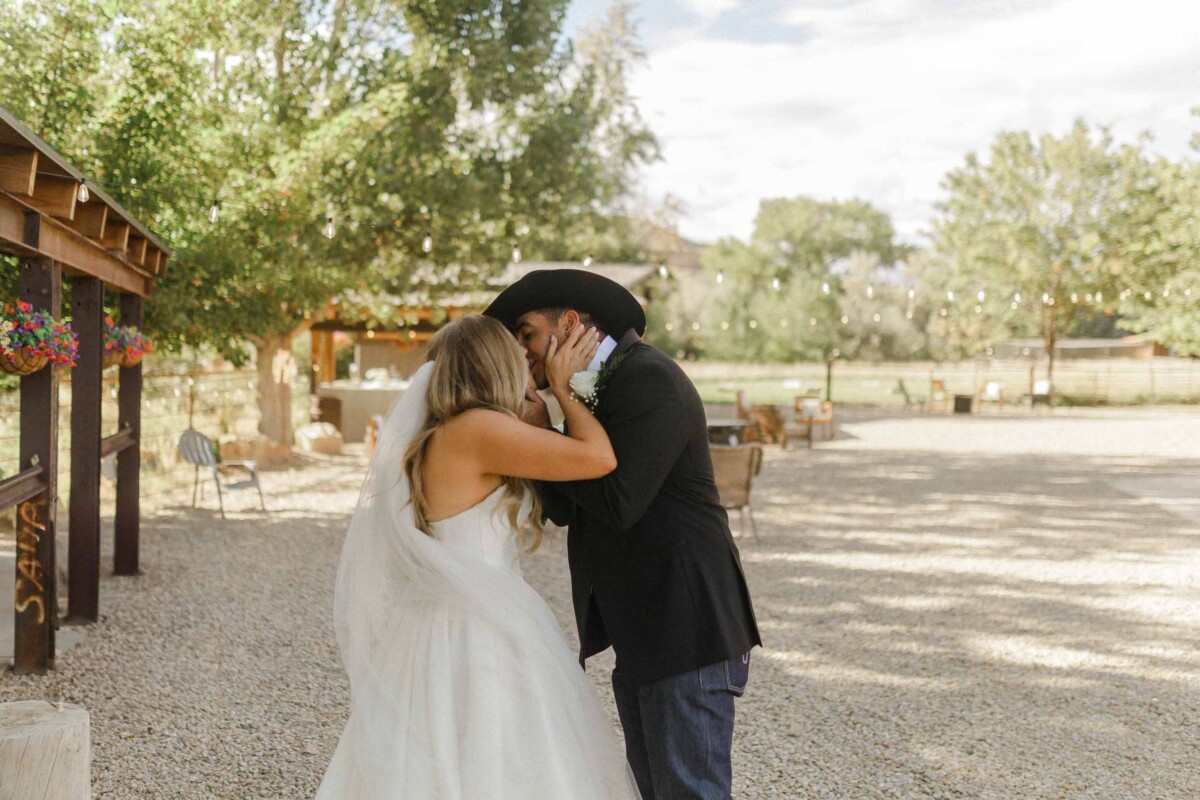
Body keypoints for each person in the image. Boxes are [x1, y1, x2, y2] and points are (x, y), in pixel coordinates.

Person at [316, 314, 640, 799]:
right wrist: (566, 392)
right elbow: (599, 459)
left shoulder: (443, 432)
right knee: (497, 756)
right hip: (478, 627)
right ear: (494, 366)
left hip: (434, 622)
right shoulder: (480, 430)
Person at [485, 269, 762, 800]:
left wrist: (555, 419)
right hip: (644, 631)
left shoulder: (647, 378)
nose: (521, 352)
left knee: (689, 792)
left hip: (688, 628)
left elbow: (618, 502)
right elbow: (566, 508)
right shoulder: (599, 390)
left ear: (568, 324)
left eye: (526, 334)